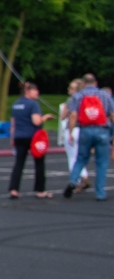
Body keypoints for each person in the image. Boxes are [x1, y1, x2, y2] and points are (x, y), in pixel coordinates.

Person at [63, 73, 113, 201]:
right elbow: (112, 114)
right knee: (102, 163)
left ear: (83, 83)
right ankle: (100, 193)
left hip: (85, 130)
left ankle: (73, 181)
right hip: (102, 130)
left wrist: (70, 132)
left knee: (80, 159)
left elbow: (73, 115)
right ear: (96, 83)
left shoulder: (77, 96)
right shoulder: (104, 95)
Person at [8, 81, 52, 198]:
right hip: (33, 137)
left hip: (19, 136)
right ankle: (40, 190)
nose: (37, 92)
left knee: (19, 163)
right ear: (28, 91)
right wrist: (45, 117)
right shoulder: (33, 104)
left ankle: (14, 189)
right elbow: (36, 121)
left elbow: (13, 124)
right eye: (35, 90)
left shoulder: (15, 104)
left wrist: (12, 139)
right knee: (39, 163)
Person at [58, 79, 89, 192]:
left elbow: (64, 116)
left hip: (74, 129)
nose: (68, 89)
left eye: (71, 88)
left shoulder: (71, 100)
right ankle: (83, 176)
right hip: (85, 129)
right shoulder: (87, 99)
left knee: (72, 157)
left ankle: (78, 179)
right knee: (80, 156)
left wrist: (70, 132)